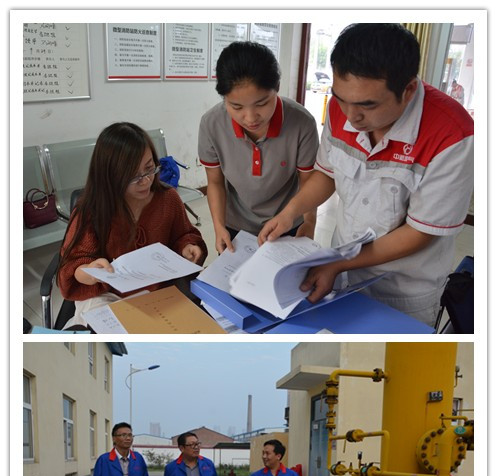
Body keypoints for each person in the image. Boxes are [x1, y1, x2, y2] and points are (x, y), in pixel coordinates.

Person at [258, 24, 474, 327]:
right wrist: (290, 212)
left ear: (408, 90)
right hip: (341, 268)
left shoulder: (451, 134)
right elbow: (327, 174)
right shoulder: (341, 108)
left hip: (403, 287)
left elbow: (420, 232)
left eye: (367, 105)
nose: (351, 116)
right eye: (340, 98)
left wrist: (339, 262)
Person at [57, 122, 208, 326]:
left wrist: (187, 247)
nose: (145, 181)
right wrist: (91, 271)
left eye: (149, 168)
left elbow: (184, 235)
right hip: (108, 296)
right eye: (133, 176)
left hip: (159, 292)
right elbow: (73, 267)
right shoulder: (93, 211)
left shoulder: (167, 198)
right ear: (110, 175)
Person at [198, 40, 319, 253]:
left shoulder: (302, 123)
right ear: (224, 98)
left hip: (287, 222)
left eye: (262, 103)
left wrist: (309, 222)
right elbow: (215, 182)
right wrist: (218, 227)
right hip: (236, 226)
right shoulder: (212, 124)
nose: (250, 117)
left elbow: (308, 182)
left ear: (277, 88)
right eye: (236, 107)